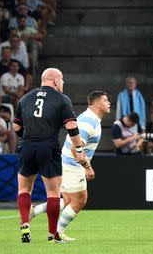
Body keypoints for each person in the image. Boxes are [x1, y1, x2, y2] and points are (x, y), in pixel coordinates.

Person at [13, 68, 86, 243]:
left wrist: (27, 140)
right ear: (54, 80)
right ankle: (52, 234)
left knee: (24, 190)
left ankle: (25, 226)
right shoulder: (62, 99)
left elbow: (16, 128)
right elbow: (71, 126)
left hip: (27, 145)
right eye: (61, 80)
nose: (62, 83)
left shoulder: (25, 98)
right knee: (53, 193)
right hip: (48, 146)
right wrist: (78, 148)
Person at [29, 91, 110, 241]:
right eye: (106, 100)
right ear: (97, 104)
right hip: (72, 164)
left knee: (67, 200)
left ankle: (34, 211)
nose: (109, 103)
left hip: (65, 162)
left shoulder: (90, 119)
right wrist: (87, 167)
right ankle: (56, 233)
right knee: (79, 200)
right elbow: (75, 148)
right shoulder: (88, 122)